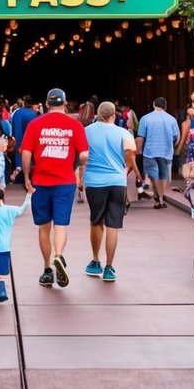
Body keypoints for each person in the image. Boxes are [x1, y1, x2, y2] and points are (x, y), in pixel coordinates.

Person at [22, 87, 89, 289]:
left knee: (44, 228)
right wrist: (80, 168)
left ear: (47, 103)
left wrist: (27, 177)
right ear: (65, 103)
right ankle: (59, 255)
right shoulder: (74, 125)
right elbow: (84, 154)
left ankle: (47, 270)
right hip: (65, 182)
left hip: (41, 182)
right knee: (60, 225)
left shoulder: (35, 124)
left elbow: (26, 154)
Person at [81, 101, 138, 282]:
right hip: (116, 181)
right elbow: (131, 151)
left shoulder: (87, 131)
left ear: (98, 114)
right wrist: (126, 168)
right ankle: (109, 267)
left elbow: (81, 155)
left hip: (94, 181)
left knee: (96, 221)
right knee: (113, 224)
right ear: (114, 115)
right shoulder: (122, 132)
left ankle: (95, 261)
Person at [137, 96, 180, 209]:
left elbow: (141, 137)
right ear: (165, 106)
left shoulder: (145, 119)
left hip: (149, 152)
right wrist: (172, 145)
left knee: (154, 175)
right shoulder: (171, 119)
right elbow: (176, 137)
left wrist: (137, 151)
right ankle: (160, 198)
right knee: (164, 176)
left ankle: (157, 198)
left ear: (153, 105)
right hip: (166, 152)